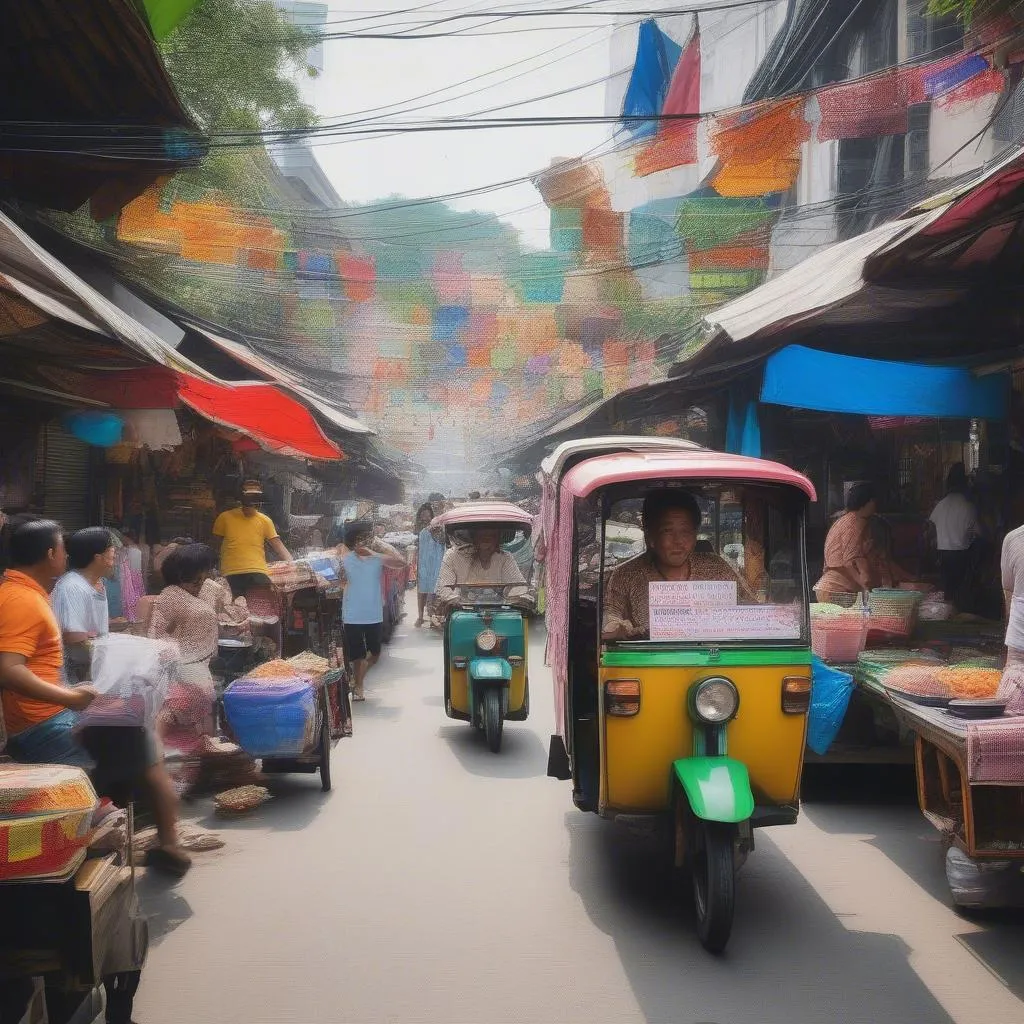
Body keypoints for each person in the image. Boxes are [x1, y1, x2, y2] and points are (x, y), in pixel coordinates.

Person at [0, 518, 97, 768]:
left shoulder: (24, 593)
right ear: (51, 553)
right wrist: (69, 698)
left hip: (44, 719)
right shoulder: (22, 599)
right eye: (63, 549)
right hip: (43, 725)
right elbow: (9, 669)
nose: (67, 556)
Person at [601, 490, 752, 640]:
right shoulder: (626, 575)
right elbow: (610, 615)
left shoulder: (717, 569)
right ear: (650, 536)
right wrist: (618, 628)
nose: (678, 541)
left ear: (695, 535)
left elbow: (751, 608)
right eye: (667, 531)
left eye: (685, 531)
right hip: (652, 661)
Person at [148, 545, 220, 777]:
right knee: (173, 713)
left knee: (195, 719)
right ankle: (154, 761)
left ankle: (191, 767)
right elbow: (158, 633)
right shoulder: (171, 596)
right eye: (197, 577)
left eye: (205, 574)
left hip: (198, 665)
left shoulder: (202, 590)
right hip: (180, 668)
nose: (203, 581)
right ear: (182, 575)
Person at [338, 521, 406, 701]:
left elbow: (401, 562)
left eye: (366, 538)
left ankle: (357, 678)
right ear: (352, 542)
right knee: (356, 654)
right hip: (352, 613)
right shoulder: (345, 558)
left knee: (375, 653)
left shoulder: (377, 558)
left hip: (373, 613)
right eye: (359, 539)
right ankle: (359, 687)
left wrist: (375, 552)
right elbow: (335, 573)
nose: (363, 543)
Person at [51, 527, 116, 684]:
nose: (115, 557)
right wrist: (116, 654)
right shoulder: (72, 586)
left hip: (92, 670)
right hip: (75, 676)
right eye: (112, 554)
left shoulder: (98, 583)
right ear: (98, 558)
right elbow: (74, 639)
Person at [211, 483, 292, 599]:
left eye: (254, 498)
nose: (251, 501)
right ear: (241, 498)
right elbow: (215, 545)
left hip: (254, 573)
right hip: (232, 573)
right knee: (238, 609)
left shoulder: (264, 520)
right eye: (249, 497)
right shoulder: (225, 518)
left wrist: (293, 564)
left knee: (250, 610)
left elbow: (278, 545)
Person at [814, 482, 878, 605]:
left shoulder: (849, 520)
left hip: (834, 589)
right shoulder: (854, 522)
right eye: (873, 500)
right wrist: (864, 585)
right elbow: (849, 561)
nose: (876, 505)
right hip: (837, 591)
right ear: (867, 502)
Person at [435, 527, 529, 607]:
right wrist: (454, 600)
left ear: (498, 539)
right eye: (482, 535)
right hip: (462, 612)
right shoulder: (453, 556)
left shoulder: (505, 558)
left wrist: (516, 598)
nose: (486, 540)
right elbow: (443, 588)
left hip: (498, 611)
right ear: (473, 537)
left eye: (492, 535)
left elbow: (518, 585)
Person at [929, 463, 980, 608]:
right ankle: (959, 613)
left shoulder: (940, 505)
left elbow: (930, 528)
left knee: (948, 590)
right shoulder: (968, 506)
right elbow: (979, 533)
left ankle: (949, 613)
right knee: (961, 590)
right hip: (962, 555)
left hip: (943, 555)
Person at [998, 523, 1024, 714]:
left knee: (1011, 713)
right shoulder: (1014, 539)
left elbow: (1009, 595)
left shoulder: (1013, 538)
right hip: (1019, 654)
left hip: (1019, 657)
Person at [414, 503, 444, 627]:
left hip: (436, 562)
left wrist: (434, 531)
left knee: (434, 590)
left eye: (427, 514)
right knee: (422, 591)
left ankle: (433, 616)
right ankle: (420, 617)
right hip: (423, 563)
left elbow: (442, 542)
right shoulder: (418, 529)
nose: (424, 516)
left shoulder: (438, 527)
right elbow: (419, 545)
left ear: (431, 515)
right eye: (422, 514)